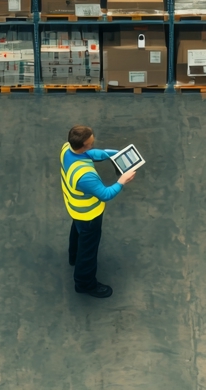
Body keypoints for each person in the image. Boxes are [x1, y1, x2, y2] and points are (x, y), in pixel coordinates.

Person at [60, 124, 136, 299]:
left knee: (77, 235)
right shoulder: (86, 176)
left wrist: (113, 155)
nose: (93, 145)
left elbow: (92, 154)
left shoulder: (67, 148)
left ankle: (73, 257)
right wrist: (122, 181)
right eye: (91, 143)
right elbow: (105, 194)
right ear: (84, 145)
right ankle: (84, 283)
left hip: (75, 208)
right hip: (89, 215)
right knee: (88, 250)